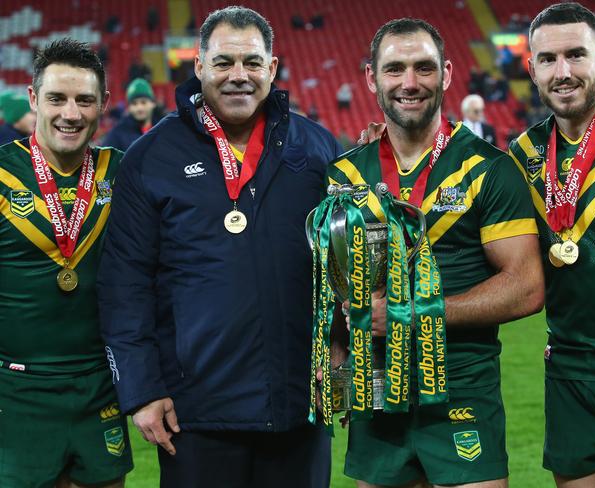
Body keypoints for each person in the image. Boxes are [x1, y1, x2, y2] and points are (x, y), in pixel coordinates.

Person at [97, 6, 341, 488]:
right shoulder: (152, 156)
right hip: (196, 415)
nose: (238, 76)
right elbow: (124, 283)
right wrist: (142, 390)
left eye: (252, 63)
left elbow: (338, 266)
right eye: (224, 62)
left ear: (272, 69)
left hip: (299, 404)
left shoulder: (316, 149)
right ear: (199, 66)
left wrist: (340, 351)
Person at [328, 18, 544, 488]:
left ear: (447, 73)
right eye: (395, 69)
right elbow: (332, 288)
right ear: (371, 77)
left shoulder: (488, 168)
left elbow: (526, 287)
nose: (410, 83)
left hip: (461, 389)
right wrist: (339, 362)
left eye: (424, 68)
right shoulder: (343, 176)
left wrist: (410, 315)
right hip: (377, 393)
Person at [508, 3, 595, 487]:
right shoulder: (523, 154)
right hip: (568, 371)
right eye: (547, 59)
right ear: (531, 69)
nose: (562, 72)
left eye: (576, 55)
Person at [0, 38, 133, 488]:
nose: (71, 114)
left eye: (85, 100)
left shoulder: (123, 172)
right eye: (56, 98)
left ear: (105, 105)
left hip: (99, 384)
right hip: (15, 388)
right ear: (34, 98)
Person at [103, 78, 160, 152]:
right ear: (129, 107)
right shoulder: (117, 134)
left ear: (153, 103)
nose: (139, 108)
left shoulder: (162, 130)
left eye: (143, 102)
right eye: (134, 103)